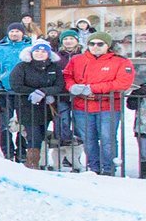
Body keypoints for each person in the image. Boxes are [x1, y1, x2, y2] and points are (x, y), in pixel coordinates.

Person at [63, 32, 136, 176]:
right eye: (92, 44)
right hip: (82, 107)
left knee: (107, 139)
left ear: (107, 45)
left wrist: (92, 88)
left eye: (100, 44)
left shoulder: (121, 62)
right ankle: (93, 168)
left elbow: (123, 82)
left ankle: (108, 169)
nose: (95, 47)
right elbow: (67, 75)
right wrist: (72, 86)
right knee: (88, 140)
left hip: (107, 107)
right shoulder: (77, 60)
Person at [10, 39, 65, 169]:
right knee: (33, 135)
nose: (40, 54)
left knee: (41, 134)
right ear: (31, 52)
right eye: (37, 51)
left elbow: (59, 85)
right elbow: (16, 85)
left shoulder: (54, 67)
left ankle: (40, 161)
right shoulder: (22, 66)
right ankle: (32, 163)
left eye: (43, 51)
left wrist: (44, 92)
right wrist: (33, 92)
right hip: (27, 106)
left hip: (46, 106)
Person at [0, 22, 28, 162]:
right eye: (12, 31)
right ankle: (7, 151)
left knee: (23, 123)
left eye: (17, 31)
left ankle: (22, 151)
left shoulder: (28, 48)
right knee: (5, 123)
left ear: (22, 33)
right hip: (5, 90)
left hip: (23, 90)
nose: (14, 34)